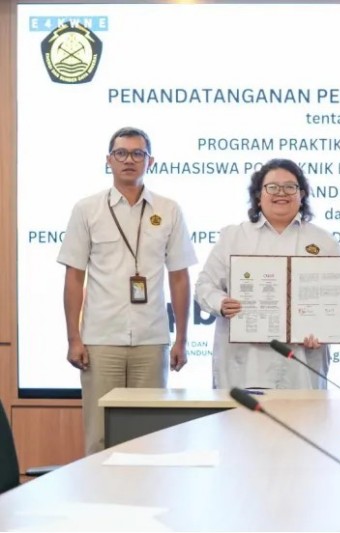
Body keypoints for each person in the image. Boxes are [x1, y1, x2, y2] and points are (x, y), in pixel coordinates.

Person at [58, 127, 197, 455]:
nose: (129, 160)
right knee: (100, 434)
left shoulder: (169, 210)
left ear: (150, 161)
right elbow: (74, 277)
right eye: (121, 153)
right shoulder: (87, 209)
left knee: (149, 436)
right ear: (109, 160)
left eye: (138, 153)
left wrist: (181, 339)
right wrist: (74, 338)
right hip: (100, 339)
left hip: (151, 339)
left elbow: (179, 277)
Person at [195, 158, 340, 389]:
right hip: (245, 364)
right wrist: (221, 303)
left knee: (303, 412)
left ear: (302, 195)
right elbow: (204, 286)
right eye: (272, 187)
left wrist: (325, 329)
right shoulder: (233, 237)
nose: (281, 193)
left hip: (302, 362)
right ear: (258, 195)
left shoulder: (324, 241)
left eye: (290, 187)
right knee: (242, 413)